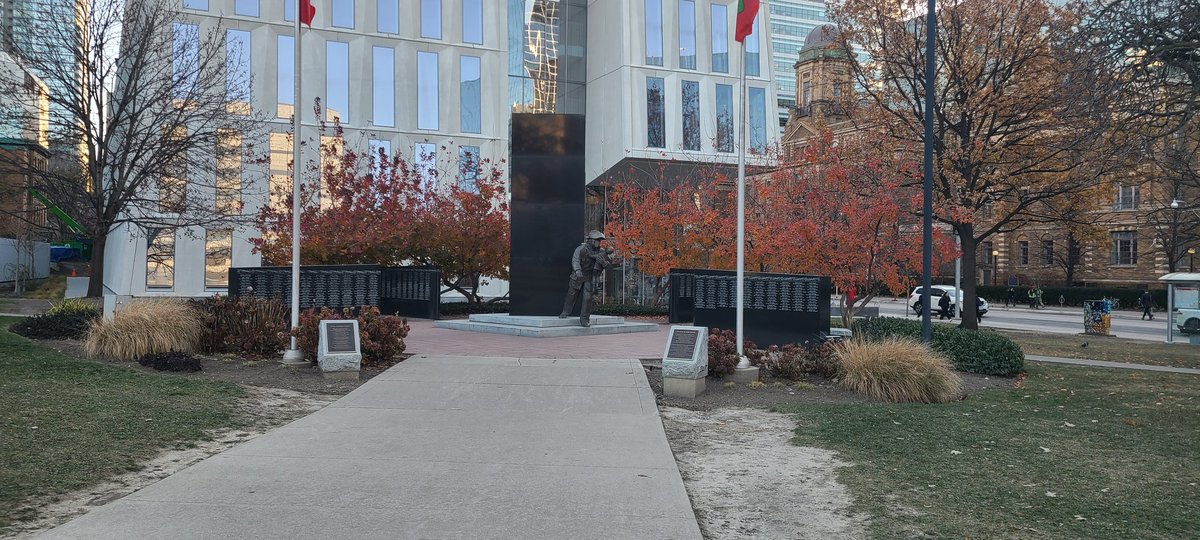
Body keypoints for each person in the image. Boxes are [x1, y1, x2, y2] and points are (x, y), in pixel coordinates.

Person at [560, 231, 613, 327]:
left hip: (589, 277)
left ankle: (584, 319)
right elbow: (575, 260)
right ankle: (565, 312)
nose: (599, 243)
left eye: (600, 241)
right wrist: (577, 270)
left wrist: (605, 262)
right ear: (591, 240)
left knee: (588, 298)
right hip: (577, 276)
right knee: (571, 295)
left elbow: (609, 266)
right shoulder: (581, 249)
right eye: (597, 240)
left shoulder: (601, 252)